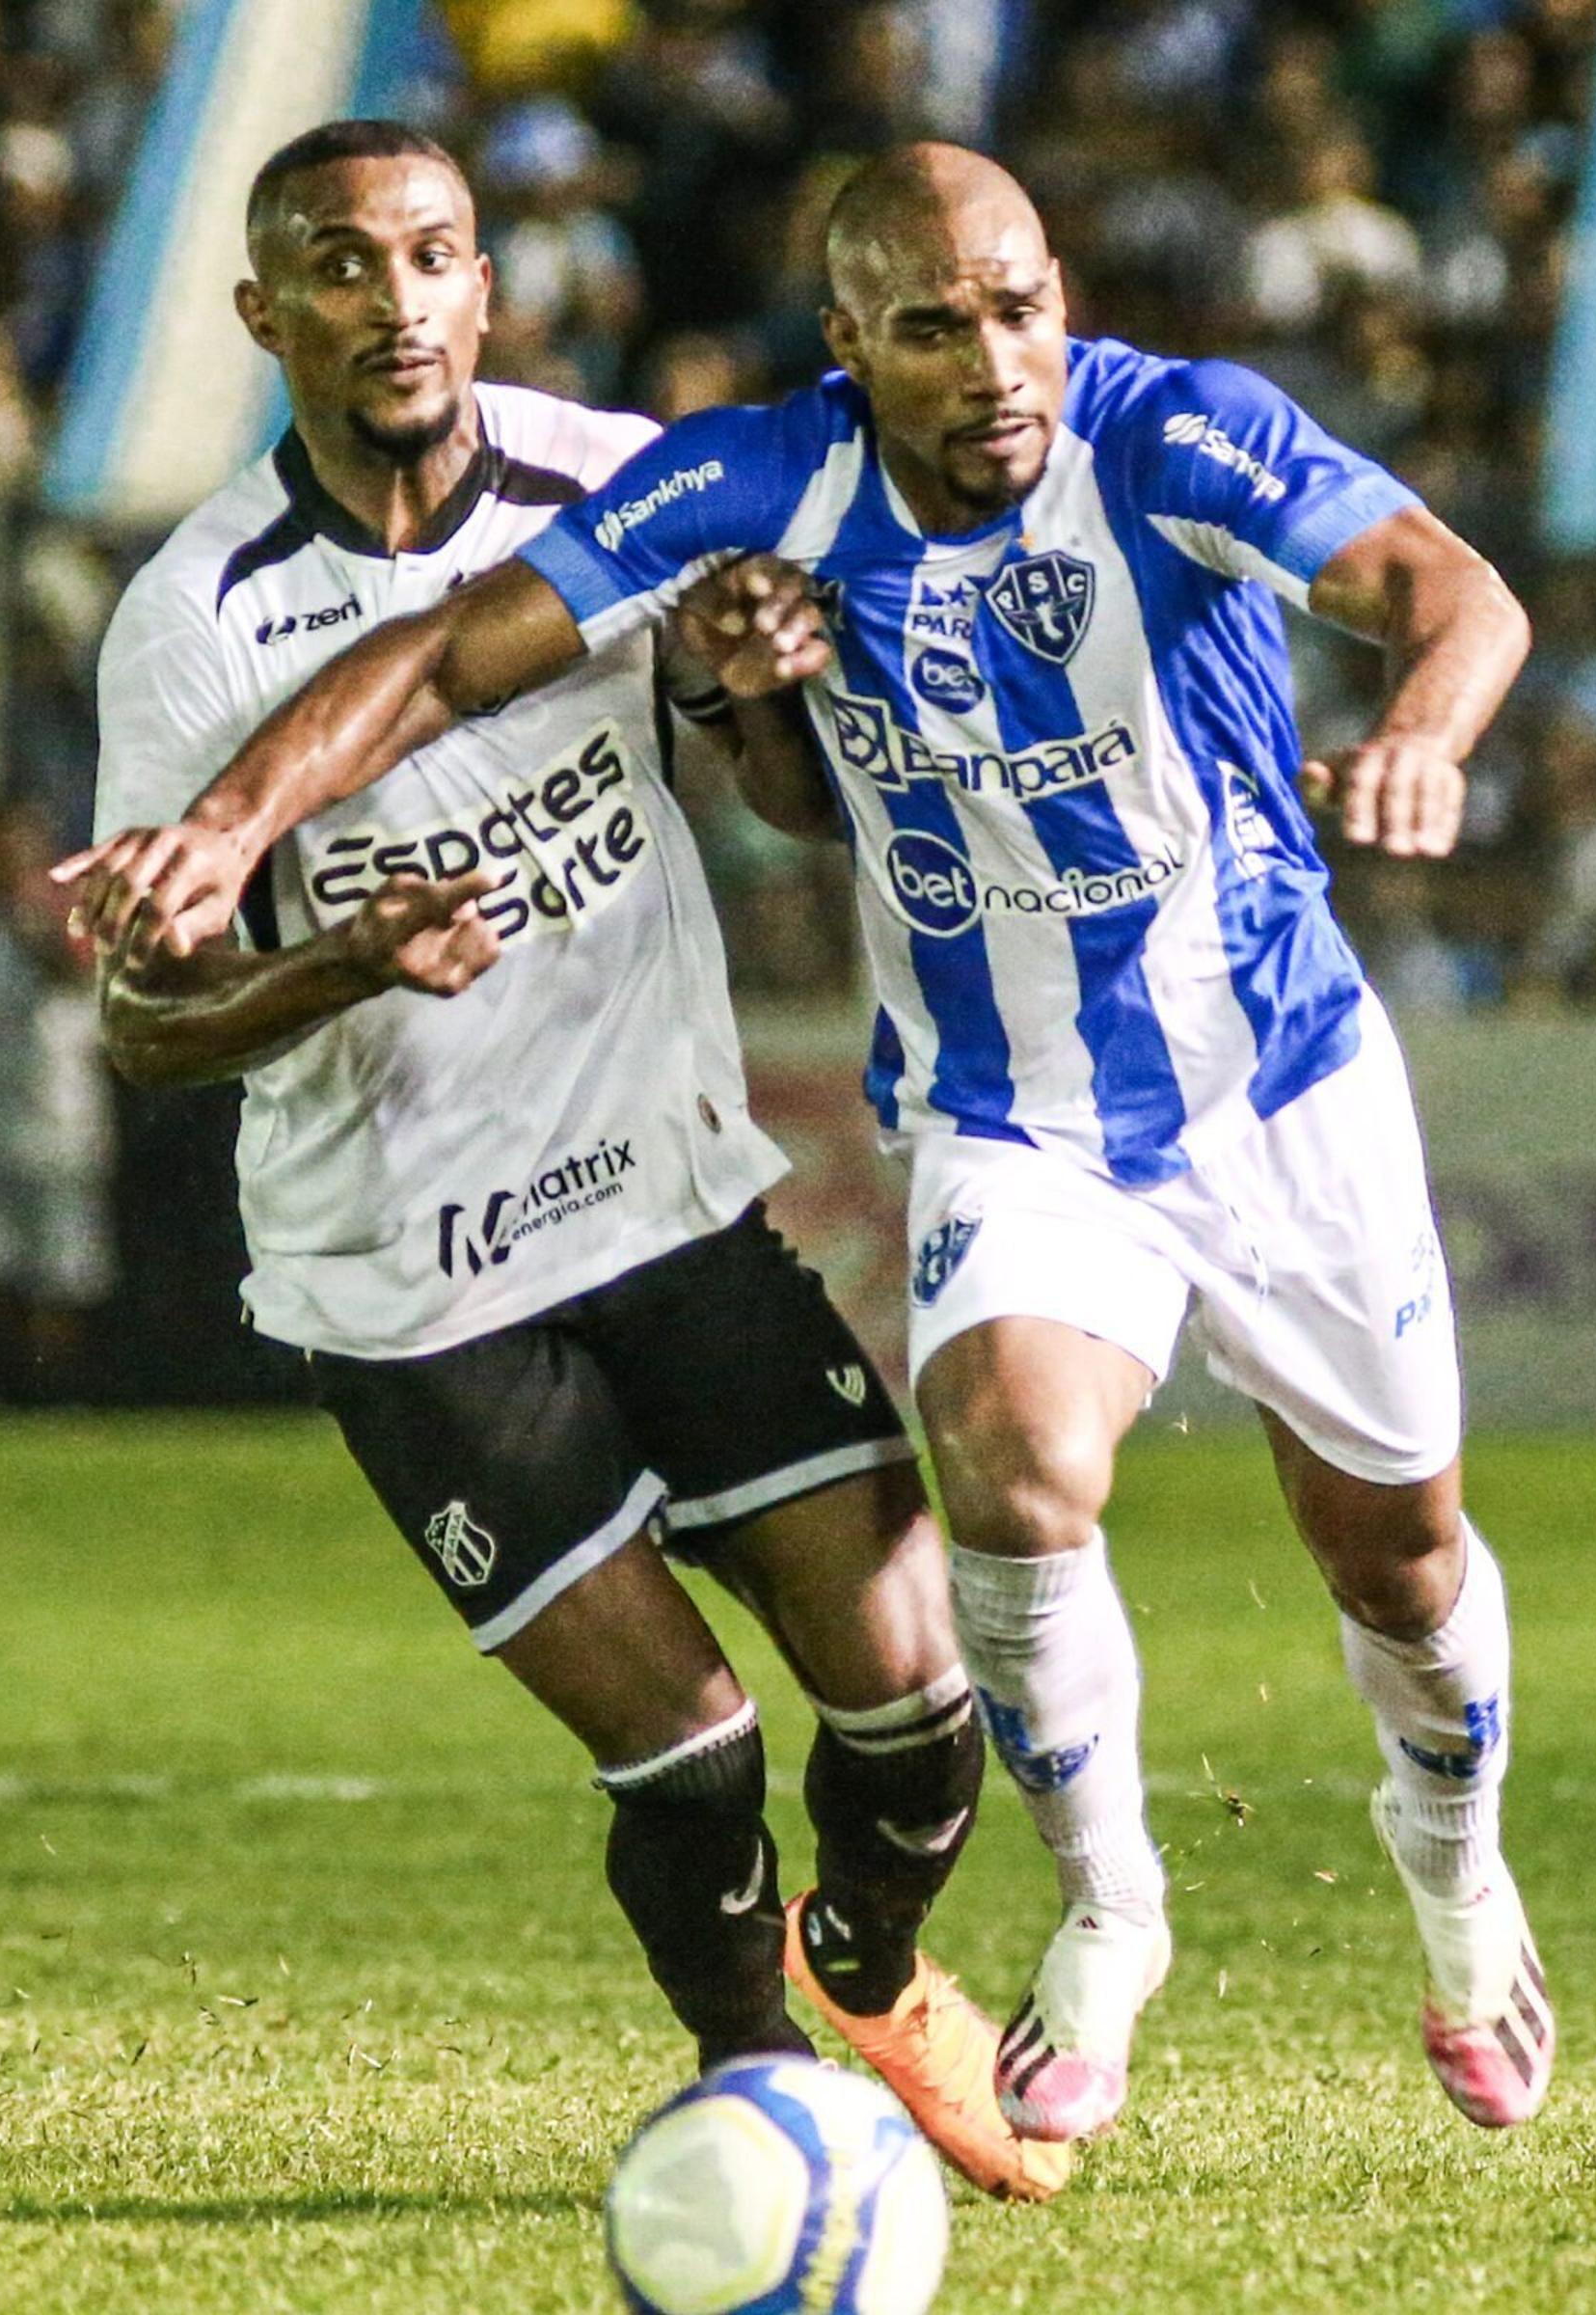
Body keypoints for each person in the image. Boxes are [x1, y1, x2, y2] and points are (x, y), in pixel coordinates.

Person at [65, 141, 1554, 2140]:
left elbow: (1447, 595)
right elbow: (435, 667)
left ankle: (1460, 1894)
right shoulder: (740, 483)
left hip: (1278, 1085)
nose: (996, 359)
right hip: (982, 1119)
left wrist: (1422, 734)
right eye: (932, 327)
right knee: (1010, 1483)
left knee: (1394, 1555)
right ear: (851, 346)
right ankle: (1104, 1916)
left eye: (1021, 304)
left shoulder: (1177, 435)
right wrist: (241, 845)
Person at [80, 122, 1061, 2202]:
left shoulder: (611, 483)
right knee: (691, 1754)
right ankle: (770, 2106)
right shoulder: (198, 621)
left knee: (917, 1704)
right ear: (266, 317)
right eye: (341, 267)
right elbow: (145, 1024)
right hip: (411, 1291)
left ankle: (872, 1972)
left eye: (433, 254)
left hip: (673, 1211)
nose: (397, 299)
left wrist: (739, 685)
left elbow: (781, 799)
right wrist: (340, 957)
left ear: (486, 286)